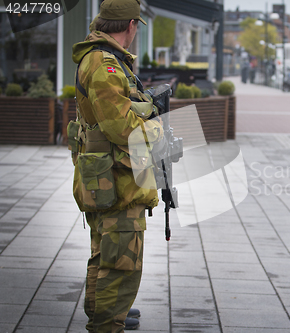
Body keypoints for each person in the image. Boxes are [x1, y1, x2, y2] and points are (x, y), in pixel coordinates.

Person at [70, 0, 163, 331]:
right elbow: (120, 127)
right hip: (115, 178)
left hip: (109, 176)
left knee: (104, 251)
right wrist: (159, 126)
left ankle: (104, 314)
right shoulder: (105, 64)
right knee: (120, 261)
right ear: (131, 25)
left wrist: (144, 104)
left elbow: (114, 112)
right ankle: (107, 322)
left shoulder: (104, 59)